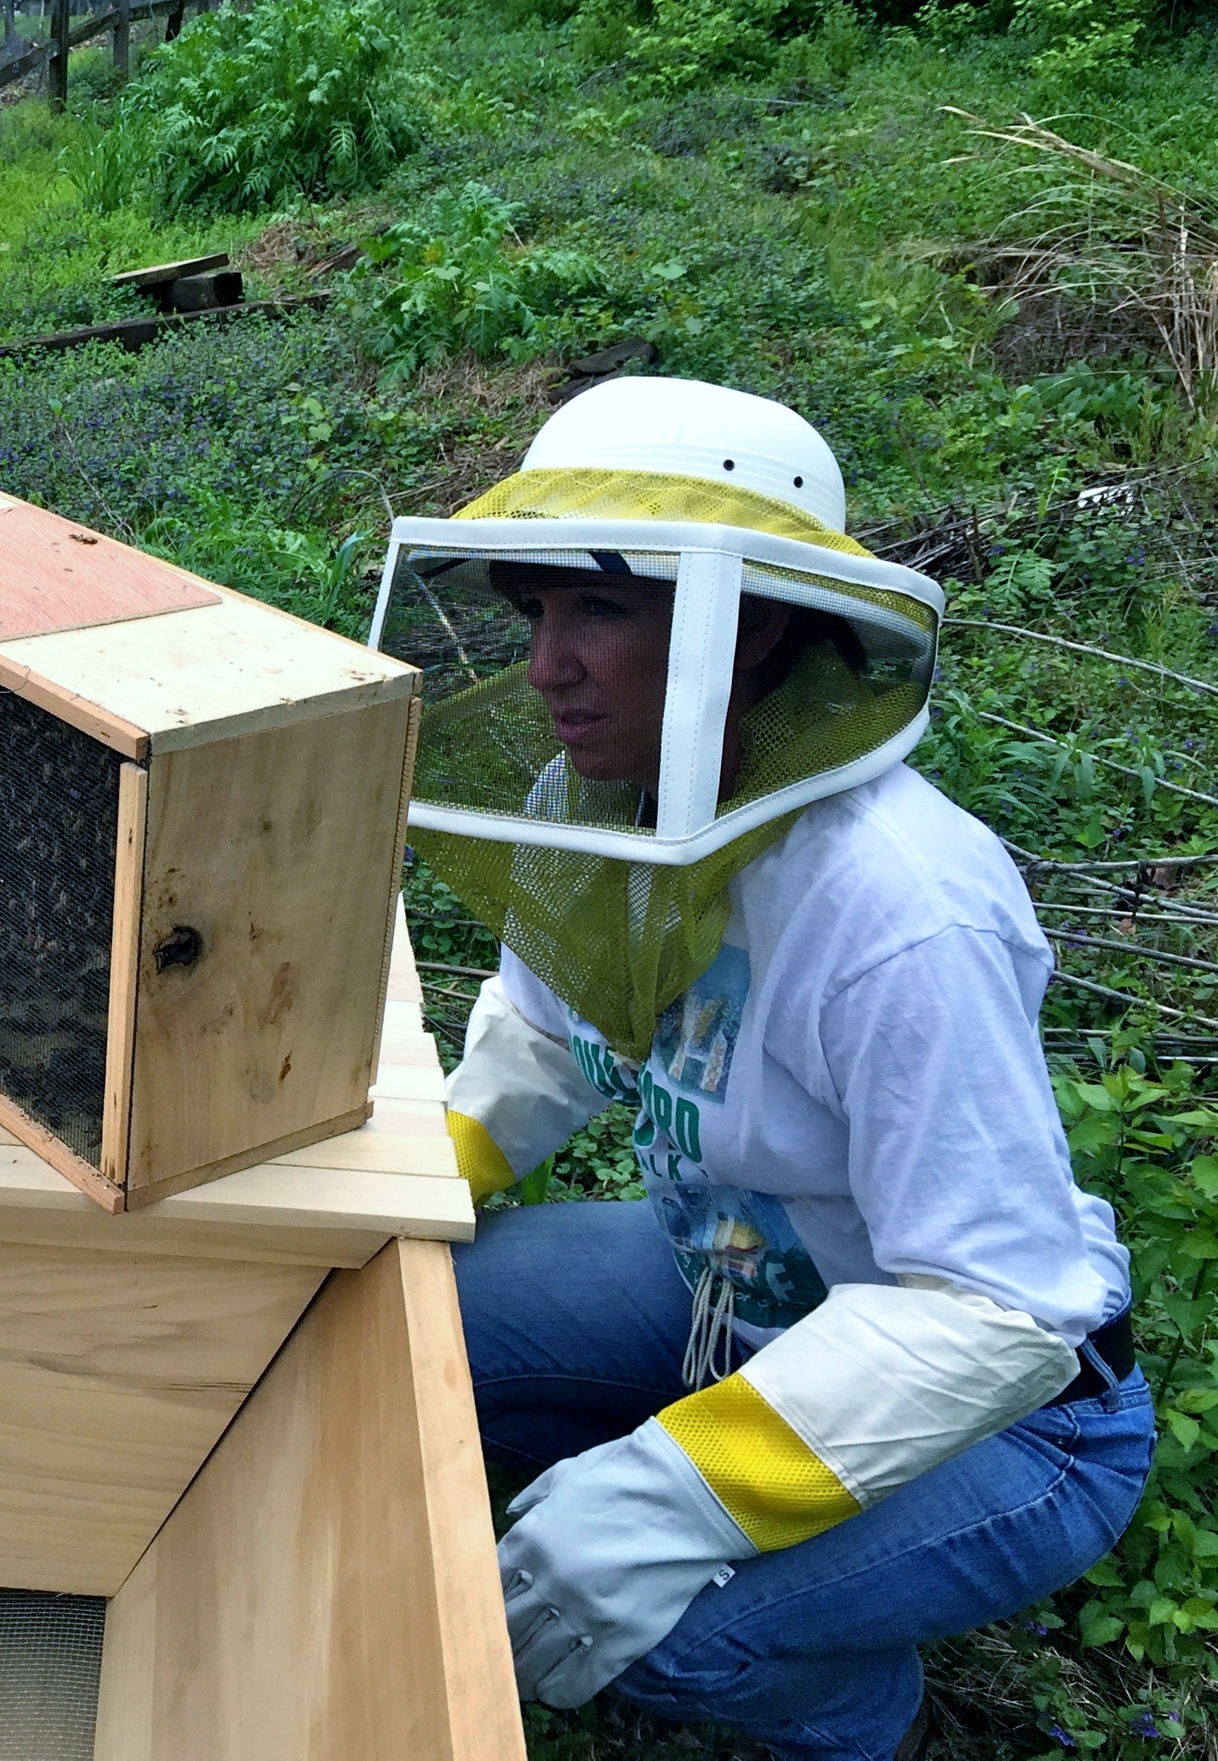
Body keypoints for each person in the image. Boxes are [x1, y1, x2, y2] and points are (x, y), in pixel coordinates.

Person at [371, 377, 1149, 1761]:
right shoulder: (592, 796)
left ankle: (863, 1716)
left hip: (1030, 1413)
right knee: (390, 1329)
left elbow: (997, 1306)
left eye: (599, 610)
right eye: (534, 609)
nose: (546, 664)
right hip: (725, 1273)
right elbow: (548, 1034)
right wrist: (397, 1195)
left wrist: (671, 1493)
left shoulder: (904, 901)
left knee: (672, 1627)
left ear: (756, 617)